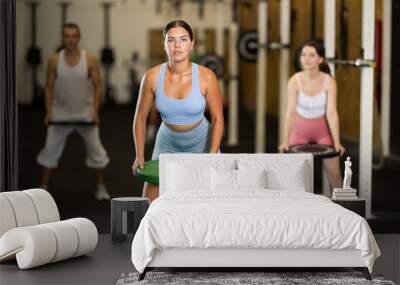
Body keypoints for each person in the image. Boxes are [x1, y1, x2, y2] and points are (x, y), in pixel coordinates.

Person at [131, 20, 224, 202]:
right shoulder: (151, 77)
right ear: (164, 44)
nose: (177, 46)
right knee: (149, 202)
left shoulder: (207, 76)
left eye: (183, 39)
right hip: (167, 142)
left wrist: (213, 154)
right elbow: (140, 118)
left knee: (206, 202)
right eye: (171, 40)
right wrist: (139, 154)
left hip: (201, 141)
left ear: (192, 44)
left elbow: (218, 118)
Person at [37, 23, 111, 201]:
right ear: (63, 38)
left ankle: (100, 188)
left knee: (97, 153)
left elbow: (98, 86)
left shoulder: (90, 59)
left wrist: (95, 112)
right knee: (49, 152)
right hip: (60, 113)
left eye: (73, 36)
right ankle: (43, 190)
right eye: (67, 36)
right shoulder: (55, 60)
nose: (70, 40)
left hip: (85, 114)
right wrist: (48, 112)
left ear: (79, 38)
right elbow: (48, 87)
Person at [279, 39, 345, 190]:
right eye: (303, 55)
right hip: (299, 132)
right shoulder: (294, 81)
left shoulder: (329, 81)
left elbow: (332, 113)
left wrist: (337, 142)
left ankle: (341, 209)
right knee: (292, 177)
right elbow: (290, 112)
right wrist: (285, 141)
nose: (306, 59)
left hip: (323, 132)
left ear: (320, 59)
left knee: (335, 176)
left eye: (311, 55)